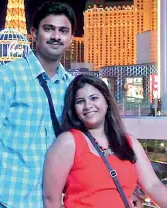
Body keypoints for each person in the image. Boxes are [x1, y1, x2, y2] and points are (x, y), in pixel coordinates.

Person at [0, 1, 76, 208]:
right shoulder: (5, 77)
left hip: (53, 203)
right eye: (48, 29)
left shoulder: (71, 86)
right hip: (9, 201)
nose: (56, 36)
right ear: (34, 33)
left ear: (70, 38)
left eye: (63, 31)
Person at [43, 74, 167, 208]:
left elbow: (153, 186)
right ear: (74, 109)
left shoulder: (128, 142)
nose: (87, 106)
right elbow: (51, 199)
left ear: (106, 101)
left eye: (94, 98)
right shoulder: (68, 142)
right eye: (80, 101)